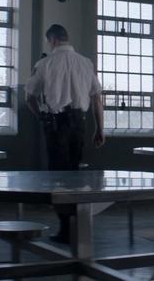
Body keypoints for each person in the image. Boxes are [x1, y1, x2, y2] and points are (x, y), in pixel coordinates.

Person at [25, 24, 106, 243]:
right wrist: (100, 128)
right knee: (76, 176)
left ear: (51, 40)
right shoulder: (85, 63)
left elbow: (29, 96)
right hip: (79, 124)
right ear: (67, 38)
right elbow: (97, 97)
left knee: (58, 178)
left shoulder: (45, 63)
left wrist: (41, 116)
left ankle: (65, 228)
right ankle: (77, 226)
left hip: (56, 124)